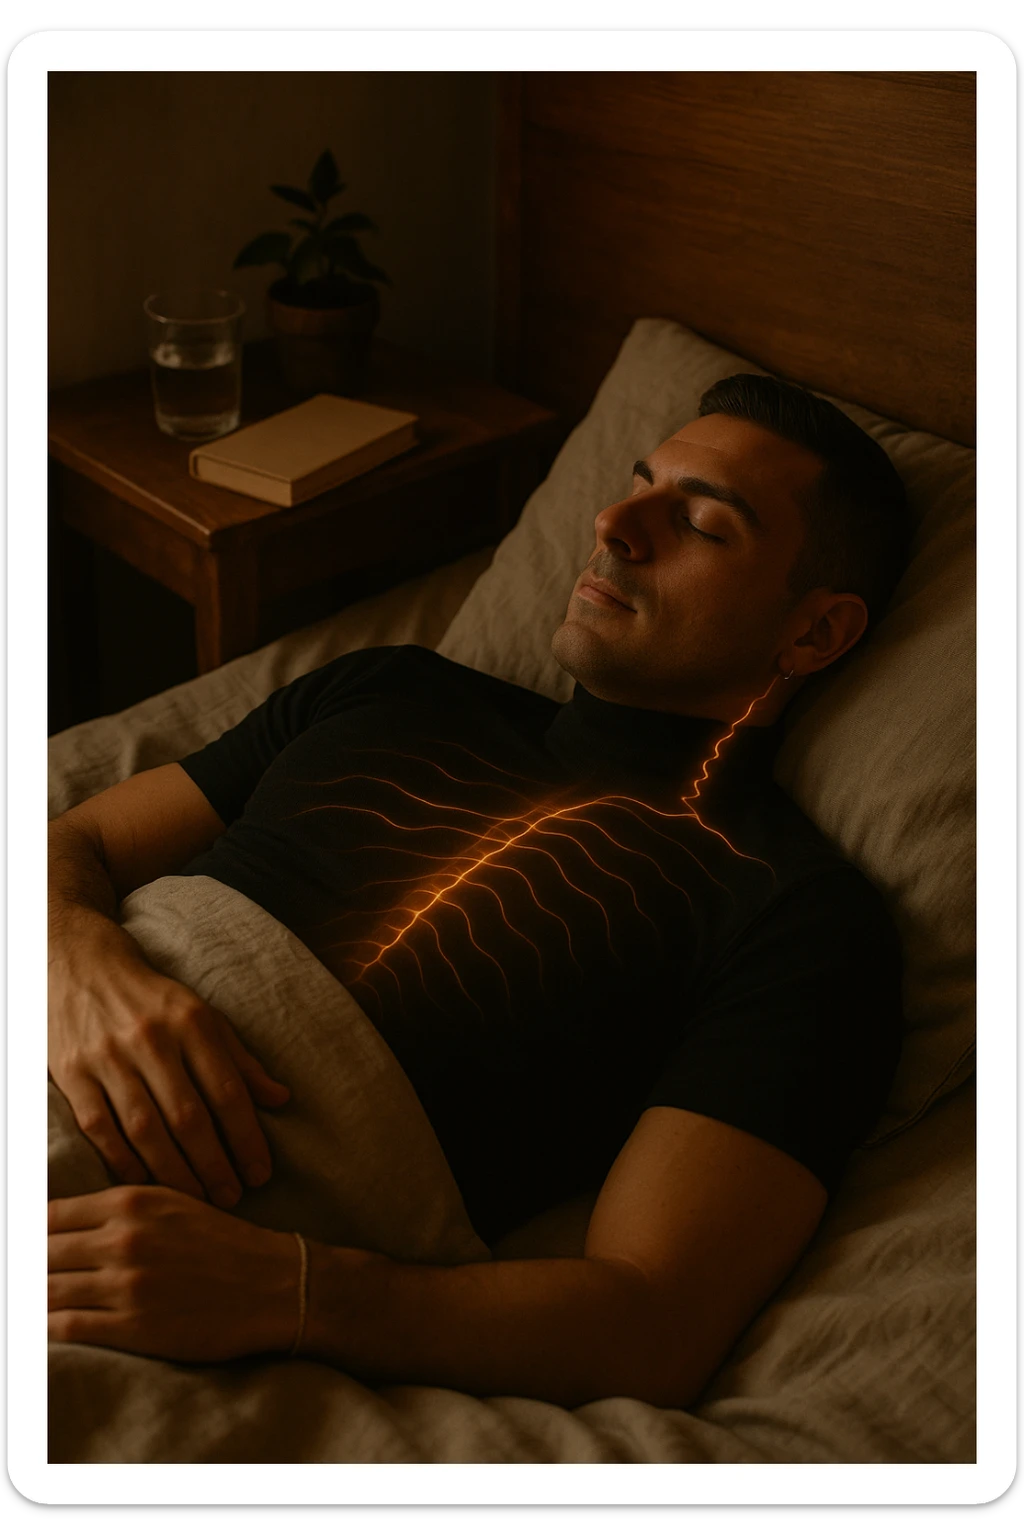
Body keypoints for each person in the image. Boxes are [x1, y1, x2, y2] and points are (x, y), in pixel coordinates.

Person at [47, 375, 910, 1410]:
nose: (613, 523)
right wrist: (75, 961)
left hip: (132, 1243)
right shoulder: (392, 687)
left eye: (699, 523)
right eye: (636, 487)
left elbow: (654, 1319)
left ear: (813, 635)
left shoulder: (798, 920)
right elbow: (77, 838)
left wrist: (295, 1289)